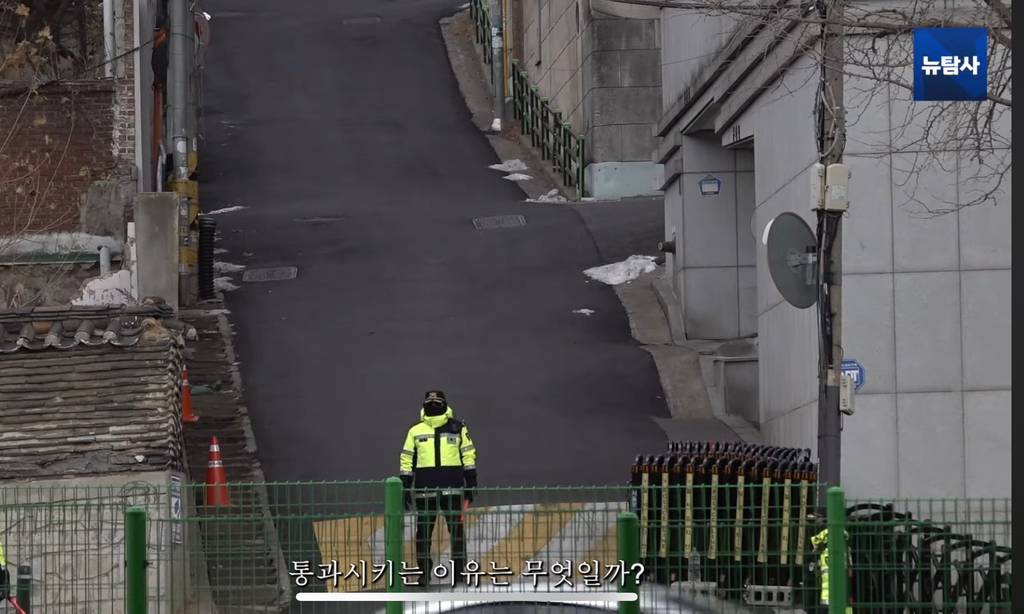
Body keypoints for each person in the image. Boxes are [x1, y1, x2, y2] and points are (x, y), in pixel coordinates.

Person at [399, 390, 477, 586]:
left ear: (444, 404)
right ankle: (424, 573)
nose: (434, 405)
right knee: (423, 534)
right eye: (430, 402)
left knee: (457, 533)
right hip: (425, 492)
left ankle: (460, 574)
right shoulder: (415, 431)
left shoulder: (458, 427)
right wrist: (405, 487)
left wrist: (472, 482)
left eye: (437, 402)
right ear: (424, 404)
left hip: (453, 491)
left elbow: (468, 454)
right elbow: (407, 459)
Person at [810, 527, 853, 614]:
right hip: (842, 596)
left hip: (826, 598)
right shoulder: (844, 550)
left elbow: (815, 542)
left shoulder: (823, 551)